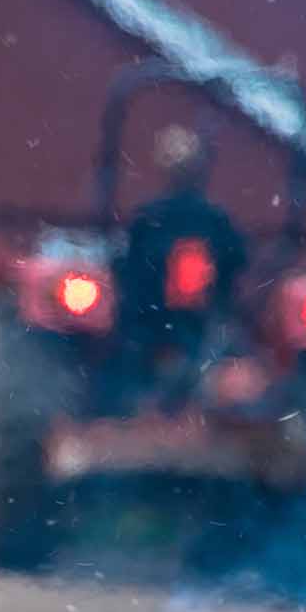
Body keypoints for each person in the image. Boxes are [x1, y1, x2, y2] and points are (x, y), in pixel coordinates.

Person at [117, 126, 249, 408]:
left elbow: (128, 271)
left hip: (156, 332)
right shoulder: (215, 220)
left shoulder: (149, 220)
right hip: (191, 330)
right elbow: (237, 263)